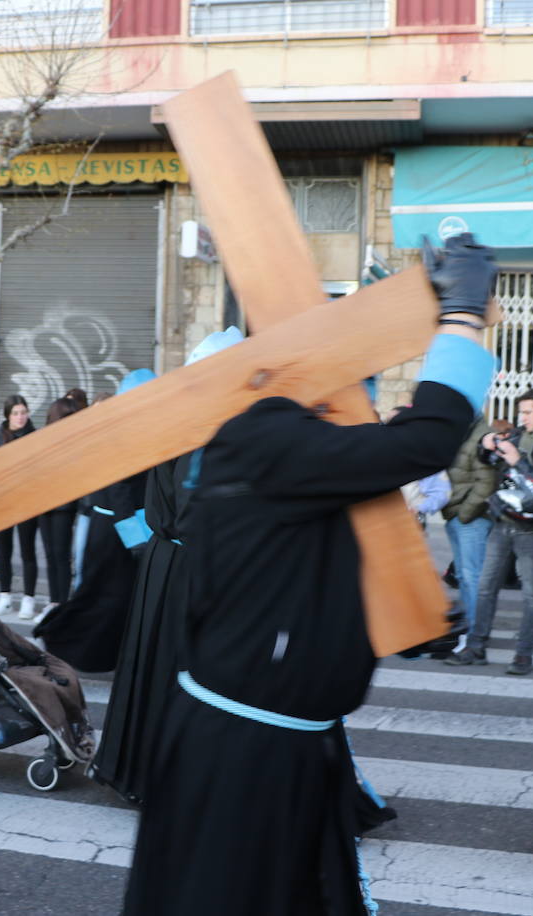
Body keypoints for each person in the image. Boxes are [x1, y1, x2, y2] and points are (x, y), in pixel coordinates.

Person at [122, 232, 497, 915]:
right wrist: (463, 317)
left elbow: (313, 570)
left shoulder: (284, 444)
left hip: (278, 746)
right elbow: (424, 439)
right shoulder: (268, 439)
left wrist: (404, 627)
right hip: (244, 756)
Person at [92, 331, 242, 807]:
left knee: (157, 666)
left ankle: (145, 766)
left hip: (168, 559)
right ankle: (169, 776)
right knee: (179, 669)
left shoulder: (185, 418)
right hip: (186, 563)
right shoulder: (203, 424)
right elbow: (193, 505)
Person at [447, 387, 533, 675]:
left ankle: (523, 654)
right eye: (521, 412)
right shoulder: (517, 435)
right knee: (486, 586)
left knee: (532, 593)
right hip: (504, 519)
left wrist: (519, 460)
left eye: (528, 412)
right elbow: (489, 462)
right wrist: (487, 444)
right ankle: (476, 647)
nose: (523, 417)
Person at [34, 371, 155, 673]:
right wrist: (135, 538)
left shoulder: (140, 429)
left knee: (113, 597)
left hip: (123, 528)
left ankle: (103, 653)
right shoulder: (122, 433)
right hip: (114, 530)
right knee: (100, 595)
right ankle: (56, 636)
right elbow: (119, 490)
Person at [441, 415, 499, 638]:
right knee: (465, 577)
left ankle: (473, 632)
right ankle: (467, 628)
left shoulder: (481, 435)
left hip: (470, 516)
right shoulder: (461, 431)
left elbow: (486, 483)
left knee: (471, 576)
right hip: (455, 513)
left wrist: (465, 513)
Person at [0, 396, 40, 621]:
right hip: (3, 503)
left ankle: (28, 599)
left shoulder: (35, 437)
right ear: (7, 415)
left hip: (28, 501)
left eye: (24, 412)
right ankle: (5, 597)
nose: (20, 417)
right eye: (16, 413)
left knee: (28, 552)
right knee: (3, 551)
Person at [38, 396, 82, 614]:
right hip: (45, 504)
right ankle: (54, 600)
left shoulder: (74, 441)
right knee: (51, 554)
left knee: (61, 554)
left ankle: (62, 602)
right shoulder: (44, 439)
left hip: (64, 505)